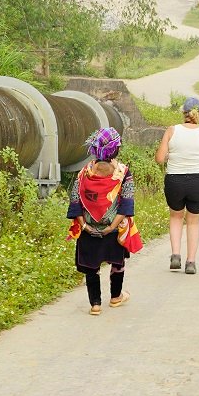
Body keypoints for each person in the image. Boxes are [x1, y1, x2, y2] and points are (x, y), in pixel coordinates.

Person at [67, 129, 139, 316]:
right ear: (115, 150)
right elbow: (126, 203)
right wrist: (112, 227)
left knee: (92, 267)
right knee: (117, 263)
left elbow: (75, 200)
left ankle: (95, 304)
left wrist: (84, 226)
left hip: (88, 229)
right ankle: (115, 297)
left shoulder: (84, 173)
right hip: (113, 230)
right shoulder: (123, 173)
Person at [155, 96, 199, 274]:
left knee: (175, 217)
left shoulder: (172, 131)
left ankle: (175, 255)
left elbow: (159, 159)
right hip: (198, 181)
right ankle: (190, 262)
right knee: (194, 222)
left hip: (174, 180)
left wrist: (169, 156)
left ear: (184, 113)